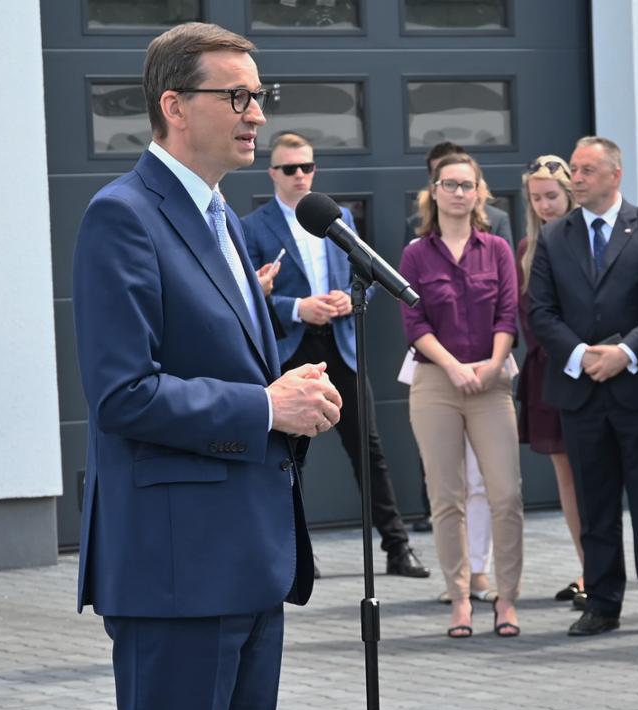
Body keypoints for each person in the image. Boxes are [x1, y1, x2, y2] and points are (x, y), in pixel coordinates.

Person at [71, 23, 341, 710]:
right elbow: (123, 394)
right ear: (175, 106)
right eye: (237, 96)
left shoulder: (223, 216)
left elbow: (215, 361)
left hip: (250, 560)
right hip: (176, 570)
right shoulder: (122, 216)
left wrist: (290, 393)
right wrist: (265, 405)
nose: (255, 112)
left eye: (259, 96)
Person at [242, 131, 429, 579]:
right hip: (291, 349)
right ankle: (294, 554)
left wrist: (349, 298)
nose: (300, 175)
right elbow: (247, 296)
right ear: (272, 173)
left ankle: (397, 548)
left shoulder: (337, 216)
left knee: (368, 449)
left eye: (307, 166)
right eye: (290, 168)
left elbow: (362, 271)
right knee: (290, 456)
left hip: (341, 347)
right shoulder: (252, 226)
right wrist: (296, 307)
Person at [529, 136, 638, 638]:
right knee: (595, 504)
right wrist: (580, 355)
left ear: (615, 176)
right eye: (574, 169)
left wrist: (623, 353)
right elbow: (540, 311)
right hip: (581, 390)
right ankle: (602, 602)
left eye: (587, 170)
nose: (576, 178)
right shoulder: (555, 236)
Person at [400, 153, 526, 638]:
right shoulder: (415, 254)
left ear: (479, 194)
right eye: (448, 184)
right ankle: (459, 600)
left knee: (506, 494)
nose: (457, 192)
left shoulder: (495, 248)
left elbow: (507, 314)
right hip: (437, 382)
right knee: (446, 497)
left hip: (491, 381)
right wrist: (453, 367)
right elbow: (414, 323)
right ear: (434, 192)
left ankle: (507, 600)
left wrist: (492, 366)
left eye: (466, 184)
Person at [513, 154, 588, 611]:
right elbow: (531, 319)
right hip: (550, 374)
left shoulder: (588, 240)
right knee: (568, 478)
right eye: (536, 198)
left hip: (594, 370)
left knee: (597, 476)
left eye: (551, 196)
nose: (544, 205)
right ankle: (588, 566)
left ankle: (609, 565)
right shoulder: (528, 248)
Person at [405, 141, 513, 245]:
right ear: (433, 184)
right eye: (448, 183)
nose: (458, 193)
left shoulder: (497, 221)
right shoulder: (416, 224)